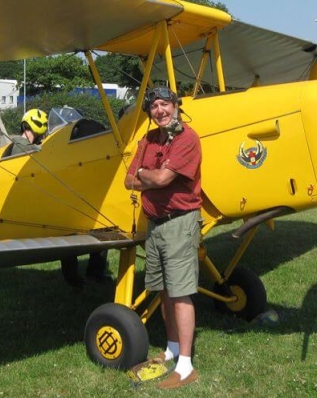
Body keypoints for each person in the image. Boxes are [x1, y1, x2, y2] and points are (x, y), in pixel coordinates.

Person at [124, 87, 202, 389]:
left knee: (181, 292)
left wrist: (146, 175)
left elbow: (161, 178)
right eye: (154, 106)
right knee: (166, 290)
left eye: (164, 104)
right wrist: (147, 175)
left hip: (179, 223)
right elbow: (127, 180)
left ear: (175, 106)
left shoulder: (187, 138)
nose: (159, 111)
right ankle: (171, 349)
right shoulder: (147, 140)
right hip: (155, 224)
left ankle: (186, 365)